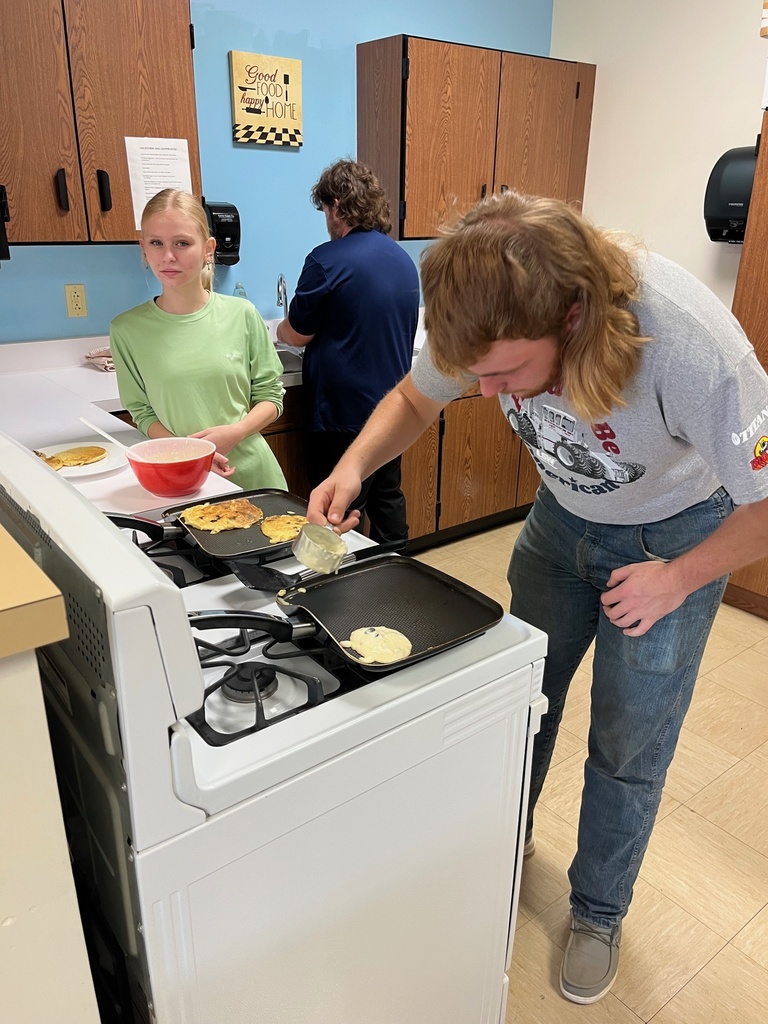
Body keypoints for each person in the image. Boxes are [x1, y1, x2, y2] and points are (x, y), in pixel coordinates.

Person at [306, 191, 768, 1004]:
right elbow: (418, 397)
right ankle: (500, 843)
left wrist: (678, 576)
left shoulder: (690, 345)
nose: (485, 394)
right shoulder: (482, 312)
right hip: (559, 525)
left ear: (572, 315)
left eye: (505, 374)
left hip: (674, 537)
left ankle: (597, 911)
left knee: (629, 745)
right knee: (521, 702)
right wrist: (354, 466)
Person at [276, 158, 419, 544]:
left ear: (337, 204)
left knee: (337, 509)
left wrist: (278, 328)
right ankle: (398, 573)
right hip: (395, 409)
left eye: (325, 209)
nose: (326, 218)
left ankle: (338, 583)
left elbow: (297, 334)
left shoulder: (326, 260)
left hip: (342, 414)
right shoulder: (402, 260)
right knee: (387, 497)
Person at [110, 189, 287, 491]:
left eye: (182, 243)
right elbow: (141, 412)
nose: (168, 256)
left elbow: (271, 396)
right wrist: (192, 456)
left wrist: (236, 432)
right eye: (156, 243)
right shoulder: (126, 330)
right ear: (143, 248)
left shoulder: (242, 315)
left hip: (253, 477)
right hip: (179, 478)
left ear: (208, 248)